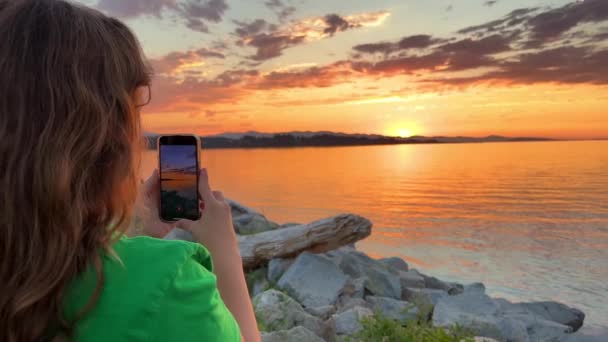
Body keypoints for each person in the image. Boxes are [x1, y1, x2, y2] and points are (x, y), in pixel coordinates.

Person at [0, 0, 260, 341]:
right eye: (135, 108)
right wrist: (223, 248)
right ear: (109, 137)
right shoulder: (169, 281)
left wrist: (132, 238)